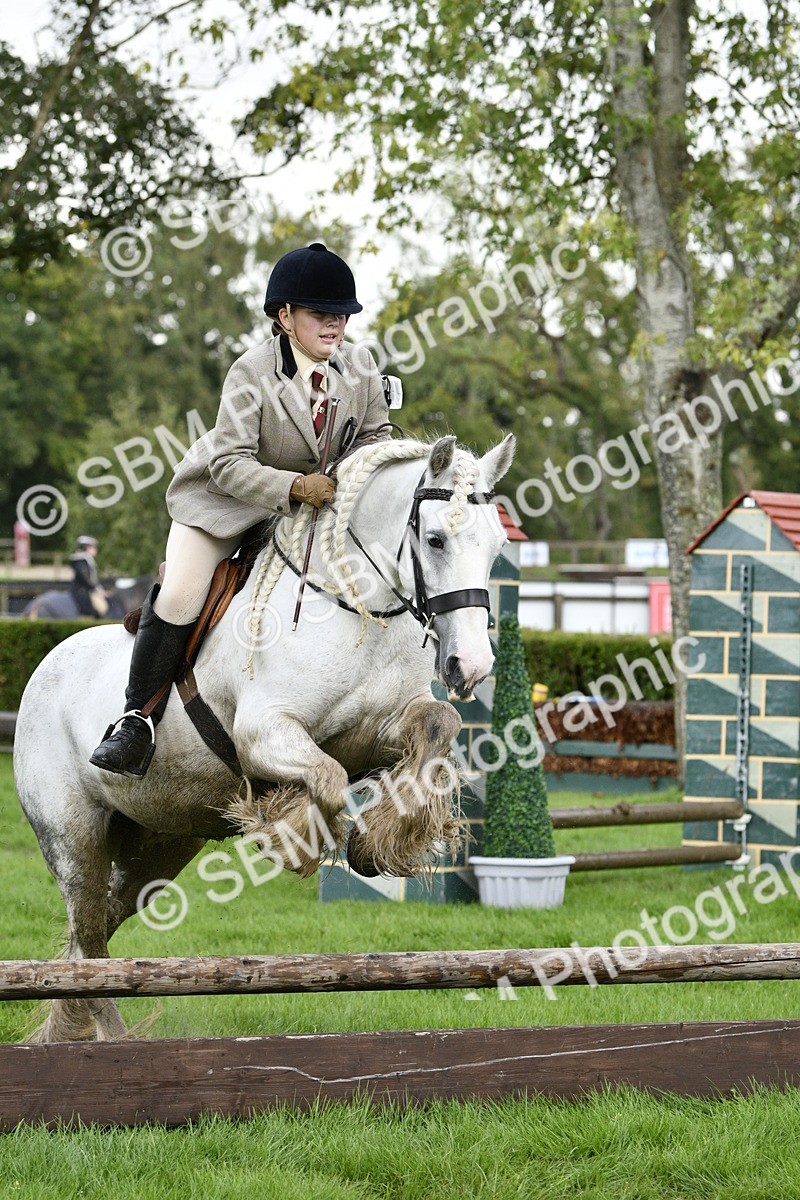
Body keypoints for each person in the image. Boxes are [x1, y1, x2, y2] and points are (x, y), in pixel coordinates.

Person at [90, 242, 391, 777]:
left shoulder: (361, 366)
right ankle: (135, 721)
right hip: (223, 504)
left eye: (342, 314)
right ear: (285, 317)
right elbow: (228, 463)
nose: (335, 324)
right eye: (320, 313)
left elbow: (375, 437)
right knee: (182, 593)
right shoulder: (251, 372)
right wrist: (295, 486)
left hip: (310, 512)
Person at [69, 535, 109, 618]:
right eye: (94, 547)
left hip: (87, 589)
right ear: (87, 548)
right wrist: (97, 589)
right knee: (101, 608)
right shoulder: (81, 561)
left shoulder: (87, 560)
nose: (95, 550)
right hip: (82, 590)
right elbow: (86, 578)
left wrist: (99, 588)